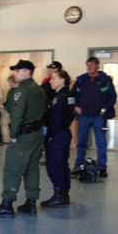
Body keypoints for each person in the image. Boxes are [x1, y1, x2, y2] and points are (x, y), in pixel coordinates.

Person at [0, 60, 45, 218]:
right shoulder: (39, 90)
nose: (15, 74)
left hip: (23, 135)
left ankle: (7, 205)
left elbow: (18, 114)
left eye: (18, 71)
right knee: (32, 168)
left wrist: (13, 135)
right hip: (37, 134)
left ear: (27, 72)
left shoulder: (22, 90)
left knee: (12, 169)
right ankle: (31, 203)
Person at [71, 57, 117, 178]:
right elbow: (71, 96)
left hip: (99, 117)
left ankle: (102, 167)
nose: (89, 67)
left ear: (97, 66)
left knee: (101, 143)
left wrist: (104, 109)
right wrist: (76, 107)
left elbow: (112, 97)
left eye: (92, 65)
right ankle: (78, 165)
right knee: (81, 142)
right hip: (83, 117)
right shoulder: (81, 80)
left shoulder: (105, 80)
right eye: (87, 65)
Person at [41, 69, 76, 207]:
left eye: (54, 78)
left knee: (54, 164)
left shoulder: (59, 98)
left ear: (62, 80)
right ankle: (64, 194)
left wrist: (49, 136)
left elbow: (55, 119)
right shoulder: (70, 95)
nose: (51, 81)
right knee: (63, 164)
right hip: (65, 132)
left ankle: (58, 195)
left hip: (57, 134)